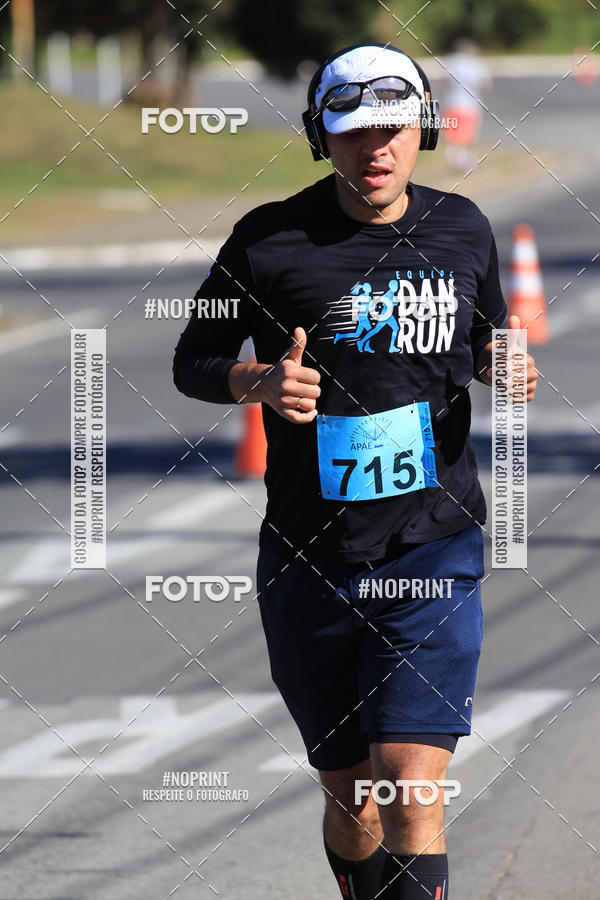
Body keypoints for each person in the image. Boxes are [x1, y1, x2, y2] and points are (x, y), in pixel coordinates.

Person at [173, 42, 538, 899]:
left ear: (423, 131)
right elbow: (194, 358)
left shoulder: (462, 227)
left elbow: (487, 338)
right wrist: (255, 380)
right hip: (310, 556)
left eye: (393, 129)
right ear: (320, 139)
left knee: (410, 789)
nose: (375, 149)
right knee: (354, 798)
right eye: (352, 133)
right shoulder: (268, 242)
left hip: (431, 546)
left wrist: (501, 361)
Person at [442, 39, 492, 173]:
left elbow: (445, 82)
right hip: (470, 106)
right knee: (468, 137)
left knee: (453, 136)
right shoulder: (476, 64)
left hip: (453, 103)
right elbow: (486, 85)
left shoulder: (452, 62)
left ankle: (455, 161)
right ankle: (467, 162)